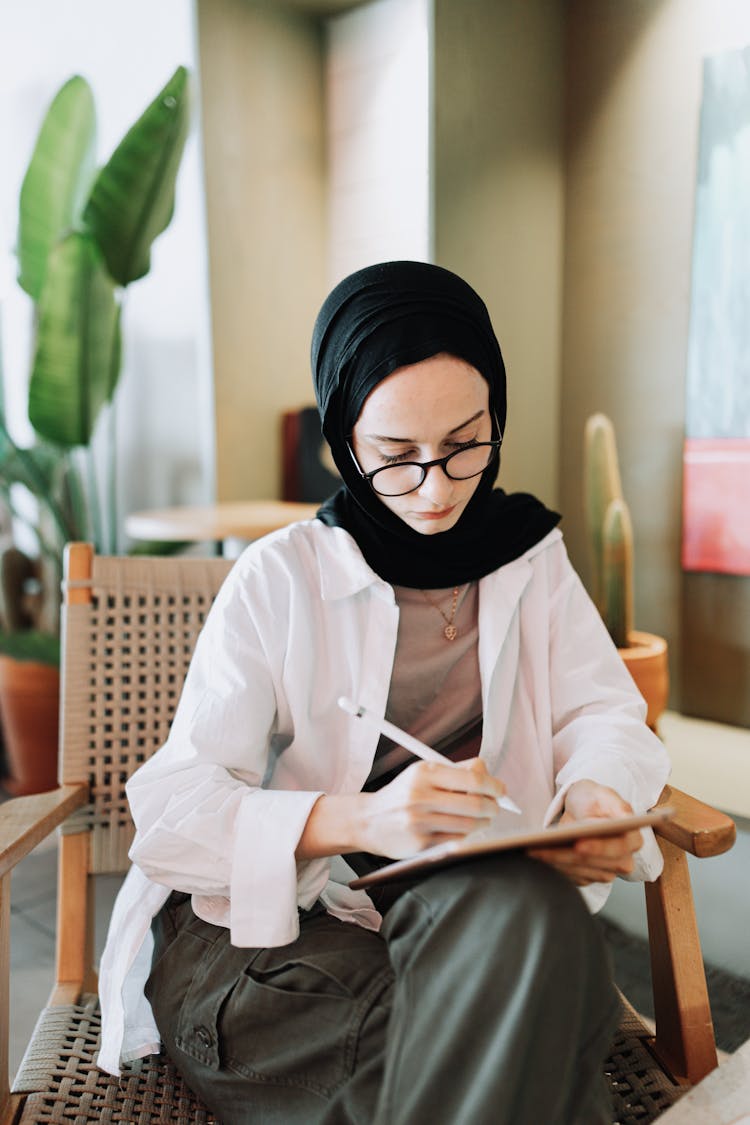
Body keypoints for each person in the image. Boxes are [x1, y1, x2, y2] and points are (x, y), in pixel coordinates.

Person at [98, 261, 670, 1124]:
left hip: (455, 915)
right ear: (344, 439)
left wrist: (594, 791)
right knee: (536, 1033)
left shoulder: (528, 557)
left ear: (497, 416)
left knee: (535, 927)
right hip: (264, 944)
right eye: (396, 457)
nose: (436, 488)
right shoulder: (279, 577)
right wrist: (363, 819)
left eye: (466, 443)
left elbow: (604, 712)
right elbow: (172, 808)